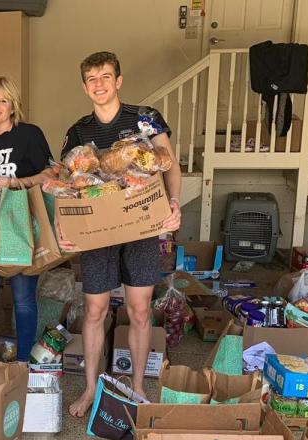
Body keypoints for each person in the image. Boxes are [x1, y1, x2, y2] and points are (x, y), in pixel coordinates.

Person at [60, 51, 182, 417]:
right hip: (98, 231)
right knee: (95, 310)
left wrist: (173, 203)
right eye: (92, 79)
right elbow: (67, 186)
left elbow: (169, 163)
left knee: (140, 309)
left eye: (106, 76)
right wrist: (65, 229)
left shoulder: (145, 119)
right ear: (84, 87)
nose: (99, 84)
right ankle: (90, 388)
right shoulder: (78, 132)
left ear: (119, 80)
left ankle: (139, 386)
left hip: (141, 227)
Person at [0, 76, 53, 363]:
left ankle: (21, 363)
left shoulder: (29, 134)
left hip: (19, 226)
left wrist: (15, 182)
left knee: (23, 300)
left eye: (2, 100)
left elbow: (50, 175)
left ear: (13, 105)